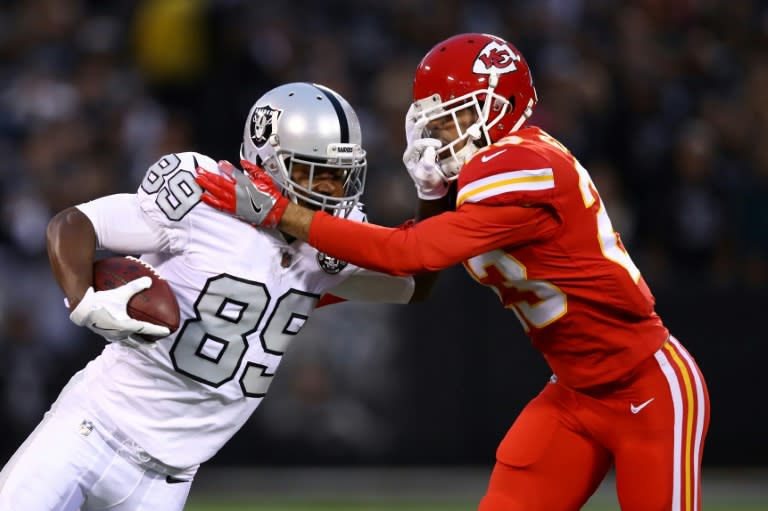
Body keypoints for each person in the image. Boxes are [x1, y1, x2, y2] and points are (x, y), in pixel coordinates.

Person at [195, 33, 711, 511]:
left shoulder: (522, 162)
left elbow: (409, 254)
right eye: (430, 121)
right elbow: (415, 279)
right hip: (574, 392)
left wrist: (284, 213)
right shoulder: (490, 175)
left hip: (646, 386)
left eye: (449, 119)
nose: (436, 134)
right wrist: (427, 201)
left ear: (498, 109)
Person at [0, 82, 430, 511]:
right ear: (268, 161)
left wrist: (434, 197)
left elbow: (416, 282)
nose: (333, 190)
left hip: (167, 484)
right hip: (88, 430)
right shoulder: (206, 203)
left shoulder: (330, 248)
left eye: (341, 175)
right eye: (313, 172)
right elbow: (74, 224)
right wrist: (84, 298)